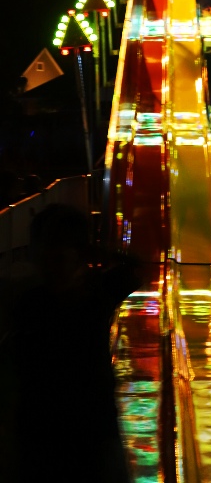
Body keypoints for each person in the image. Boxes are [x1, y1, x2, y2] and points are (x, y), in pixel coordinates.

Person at [7, 203, 144, 483]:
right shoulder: (94, 294)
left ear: (80, 258)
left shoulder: (37, 301)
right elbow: (134, 268)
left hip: (71, 427)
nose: (49, 268)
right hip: (65, 426)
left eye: (58, 259)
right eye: (44, 258)